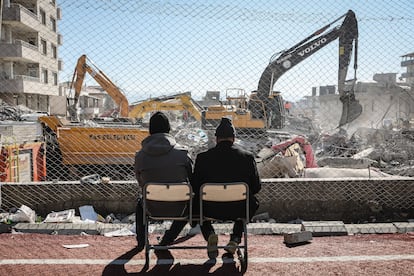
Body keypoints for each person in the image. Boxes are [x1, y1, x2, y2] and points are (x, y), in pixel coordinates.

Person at [191, 117, 262, 258]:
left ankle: (210, 234)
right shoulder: (247, 157)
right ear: (234, 138)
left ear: (216, 139)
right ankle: (235, 238)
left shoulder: (202, 158)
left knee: (194, 202)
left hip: (208, 207)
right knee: (252, 201)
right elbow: (256, 187)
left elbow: (195, 187)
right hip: (238, 208)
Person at [134, 111, 192, 251]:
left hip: (152, 207)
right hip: (180, 207)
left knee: (139, 205)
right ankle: (168, 239)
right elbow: (192, 178)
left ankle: (142, 241)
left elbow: (141, 182)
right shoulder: (183, 153)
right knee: (192, 205)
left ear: (150, 130)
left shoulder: (140, 156)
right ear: (168, 129)